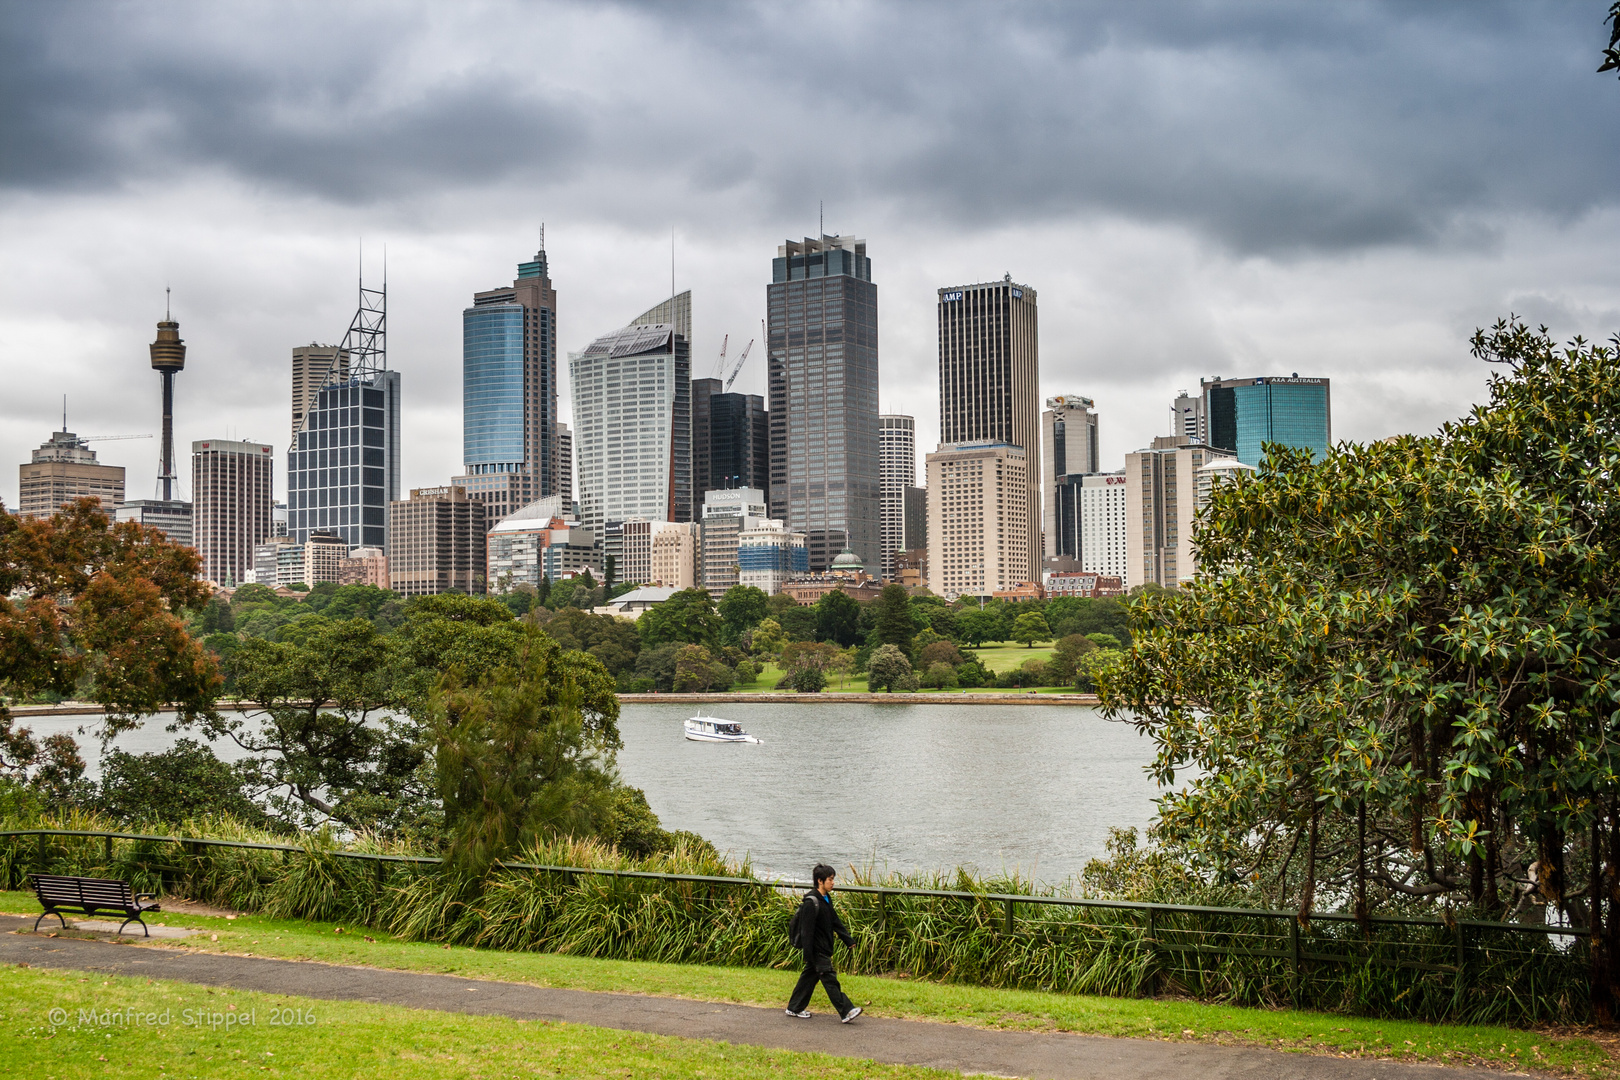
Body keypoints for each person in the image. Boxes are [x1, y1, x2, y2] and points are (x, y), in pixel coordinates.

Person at [785, 863, 862, 1022]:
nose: (833, 882)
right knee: (829, 979)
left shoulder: (826, 899)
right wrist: (808, 954)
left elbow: (835, 921)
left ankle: (794, 1008)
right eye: (830, 879)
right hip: (816, 950)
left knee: (808, 979)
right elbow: (806, 932)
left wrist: (848, 940)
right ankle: (846, 1011)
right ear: (820, 881)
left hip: (823, 948)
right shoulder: (810, 903)